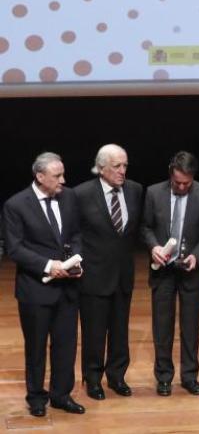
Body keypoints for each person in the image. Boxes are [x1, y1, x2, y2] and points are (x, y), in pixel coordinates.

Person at [3, 152, 85, 416]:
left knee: (66, 345)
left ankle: (61, 395)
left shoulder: (69, 197)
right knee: (36, 347)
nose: (64, 180)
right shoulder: (16, 205)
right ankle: (37, 397)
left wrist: (75, 260)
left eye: (63, 174)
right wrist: (50, 266)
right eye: (57, 176)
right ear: (40, 176)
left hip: (67, 288)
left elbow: (76, 234)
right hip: (36, 289)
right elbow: (15, 249)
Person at [140, 151, 199, 396]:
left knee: (190, 327)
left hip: (191, 270)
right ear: (170, 174)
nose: (182, 187)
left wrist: (197, 255)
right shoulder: (153, 193)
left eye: (187, 183)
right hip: (162, 271)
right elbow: (145, 227)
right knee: (162, 327)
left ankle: (189, 376)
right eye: (178, 183)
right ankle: (164, 377)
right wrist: (153, 247)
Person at [74, 144, 143, 400]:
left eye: (125, 165)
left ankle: (117, 376)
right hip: (93, 275)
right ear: (101, 168)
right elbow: (74, 233)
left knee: (120, 330)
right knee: (94, 332)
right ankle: (93, 379)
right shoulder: (81, 194)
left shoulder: (135, 190)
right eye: (117, 166)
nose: (122, 171)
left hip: (123, 274)